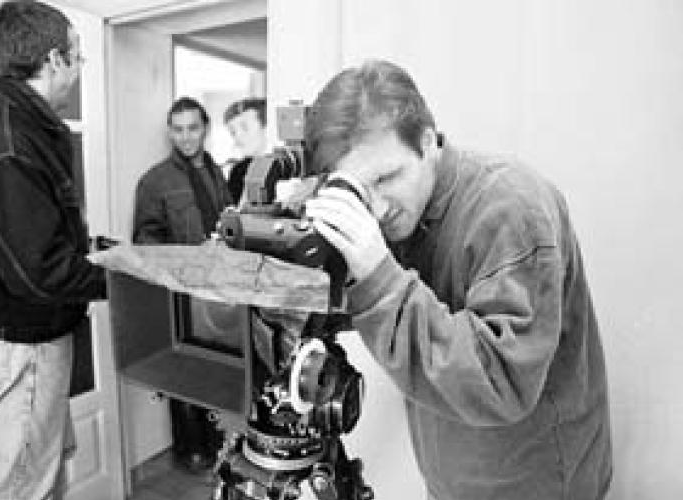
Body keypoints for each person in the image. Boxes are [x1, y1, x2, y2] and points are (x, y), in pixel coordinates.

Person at [303, 60, 612, 500]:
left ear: (428, 142)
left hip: (534, 484)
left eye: (388, 177)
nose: (378, 207)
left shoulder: (510, 207)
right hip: (456, 476)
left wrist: (378, 277)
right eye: (358, 188)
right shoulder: (403, 213)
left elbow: (500, 380)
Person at [0, 2, 104, 499]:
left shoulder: (18, 125)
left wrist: (97, 253)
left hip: (25, 340)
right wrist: (121, 275)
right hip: (20, 344)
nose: (80, 70)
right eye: (78, 56)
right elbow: (41, 272)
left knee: (41, 475)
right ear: (55, 59)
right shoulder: (7, 141)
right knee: (20, 488)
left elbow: (37, 238)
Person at [132, 97, 231, 472]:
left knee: (216, 368)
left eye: (193, 128)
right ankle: (192, 451)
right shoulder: (154, 181)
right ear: (170, 132)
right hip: (180, 293)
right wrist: (189, 257)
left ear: (205, 129)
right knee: (185, 372)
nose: (186, 137)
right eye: (178, 129)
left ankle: (218, 446)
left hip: (219, 291)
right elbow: (145, 243)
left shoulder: (217, 173)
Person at [223, 97, 267, 204]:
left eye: (244, 127)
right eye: (233, 132)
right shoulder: (238, 172)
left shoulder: (288, 167)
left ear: (266, 127)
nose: (238, 137)